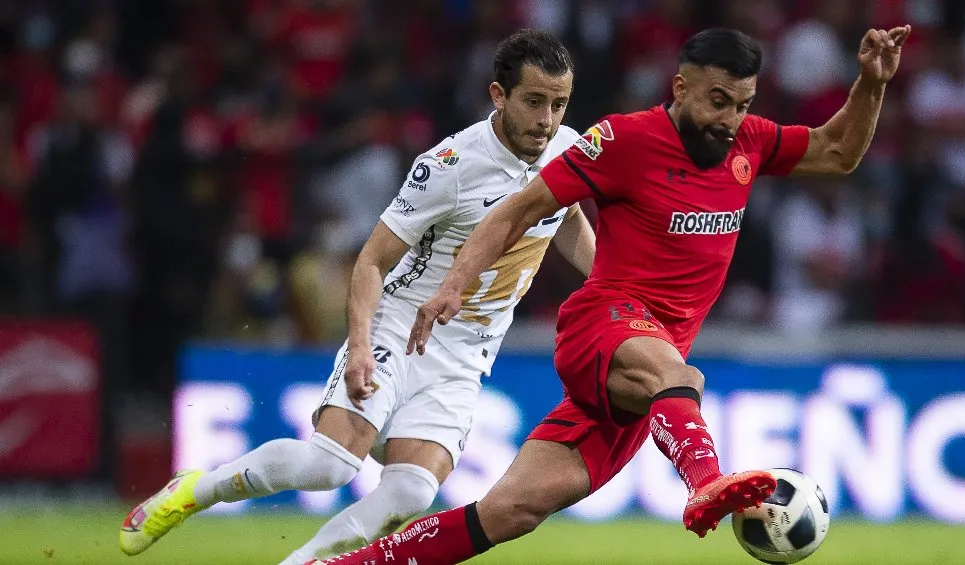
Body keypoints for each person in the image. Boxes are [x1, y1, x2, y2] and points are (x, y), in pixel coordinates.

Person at [317, 25, 911, 565]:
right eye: (717, 102)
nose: (729, 119)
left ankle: (349, 564)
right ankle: (706, 480)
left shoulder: (748, 143)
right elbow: (518, 210)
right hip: (605, 325)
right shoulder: (622, 140)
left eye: (743, 105)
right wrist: (452, 286)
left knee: (509, 512)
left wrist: (871, 83)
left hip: (646, 382)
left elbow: (837, 152)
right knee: (682, 377)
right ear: (681, 87)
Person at [118, 29, 596, 564]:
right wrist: (362, 345)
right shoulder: (450, 165)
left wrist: (606, 279)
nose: (546, 120)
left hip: (466, 355)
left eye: (558, 105)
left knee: (412, 491)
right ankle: (193, 491)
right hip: (401, 328)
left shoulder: (566, 148)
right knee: (329, 466)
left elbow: (567, 214)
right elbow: (372, 259)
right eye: (534, 102)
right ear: (498, 95)